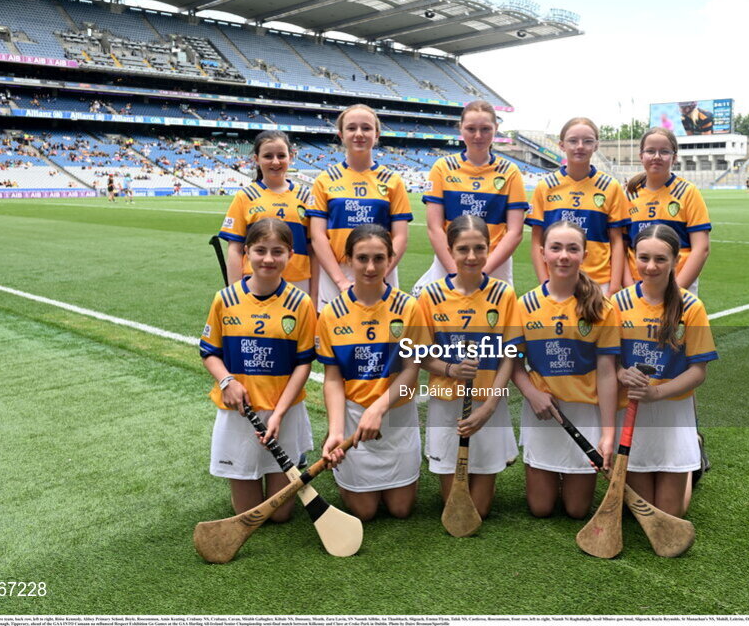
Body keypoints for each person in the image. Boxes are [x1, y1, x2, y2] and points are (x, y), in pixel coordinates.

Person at [198, 218, 317, 516]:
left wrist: (278, 414)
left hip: (284, 412)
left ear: (290, 255)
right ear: (246, 253)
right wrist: (227, 381)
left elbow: (303, 364)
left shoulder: (301, 303)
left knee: (279, 515)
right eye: (260, 250)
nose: (268, 259)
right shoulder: (225, 299)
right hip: (240, 414)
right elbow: (209, 352)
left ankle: (292, 456)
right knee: (248, 512)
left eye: (277, 251)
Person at [317, 224, 427, 521]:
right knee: (364, 513)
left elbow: (411, 370)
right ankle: (336, 447)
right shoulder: (331, 313)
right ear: (348, 259)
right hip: (354, 420)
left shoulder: (408, 307)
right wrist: (338, 431)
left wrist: (378, 408)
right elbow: (333, 379)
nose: (370, 266)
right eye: (362, 258)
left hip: (397, 415)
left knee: (401, 510)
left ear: (390, 259)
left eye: (379, 258)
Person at [416, 215, 522, 519]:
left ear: (490, 249)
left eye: (479, 248)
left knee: (481, 511)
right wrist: (450, 370)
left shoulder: (504, 294)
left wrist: (489, 407)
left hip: (488, 405)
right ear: (450, 250)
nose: (472, 257)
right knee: (456, 507)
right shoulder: (431, 295)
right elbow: (420, 354)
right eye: (463, 249)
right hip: (447, 404)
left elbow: (510, 354)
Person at [512, 221, 620, 518]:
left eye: (572, 249)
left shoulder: (602, 308)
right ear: (542, 252)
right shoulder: (525, 305)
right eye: (556, 248)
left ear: (584, 254)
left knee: (576, 510)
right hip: (544, 413)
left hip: (585, 415)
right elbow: (513, 362)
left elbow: (607, 373)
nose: (564, 256)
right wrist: (532, 393)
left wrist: (608, 433)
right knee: (541, 508)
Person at [612, 224, 717, 518]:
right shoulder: (617, 304)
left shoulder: (691, 307)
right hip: (631, 413)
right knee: (641, 512)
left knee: (669, 513)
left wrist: (656, 392)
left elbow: (698, 371)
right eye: (644, 258)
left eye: (660, 259)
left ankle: (692, 450)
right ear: (633, 257)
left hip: (672, 413)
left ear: (675, 261)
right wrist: (622, 374)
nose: (651, 266)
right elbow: (607, 362)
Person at [413, 100, 527, 296]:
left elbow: (515, 232)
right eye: (471, 128)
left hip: (495, 263)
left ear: (496, 129)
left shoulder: (510, 172)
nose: (478, 136)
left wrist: (483, 272)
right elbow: (434, 227)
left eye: (485, 129)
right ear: (460, 129)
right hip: (450, 260)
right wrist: (454, 272)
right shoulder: (442, 167)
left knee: (493, 323)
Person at [309, 104, 413, 311]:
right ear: (341, 134)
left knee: (384, 337)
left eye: (366, 128)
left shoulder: (392, 180)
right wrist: (340, 281)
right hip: (336, 273)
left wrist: (381, 274)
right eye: (351, 128)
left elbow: (400, 236)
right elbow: (317, 236)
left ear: (376, 135)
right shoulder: (324, 180)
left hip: (381, 271)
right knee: (336, 337)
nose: (359, 134)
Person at [527, 117, 628, 295]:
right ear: (561, 145)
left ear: (596, 145)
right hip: (556, 281)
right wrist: (545, 281)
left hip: (599, 282)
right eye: (573, 141)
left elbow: (617, 241)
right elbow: (537, 240)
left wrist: (613, 286)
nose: (580, 146)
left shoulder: (610, 186)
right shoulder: (546, 186)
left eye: (587, 141)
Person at [218, 130, 316, 298]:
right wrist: (234, 294)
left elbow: (312, 250)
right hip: (256, 282)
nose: (275, 161)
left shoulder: (306, 196)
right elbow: (235, 250)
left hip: (298, 283)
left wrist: (315, 294)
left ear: (291, 157)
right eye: (268, 156)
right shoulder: (245, 196)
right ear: (256, 159)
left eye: (281, 155)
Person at [624, 128, 711, 296]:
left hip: (679, 283)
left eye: (664, 152)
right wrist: (630, 288)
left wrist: (677, 290)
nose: (657, 156)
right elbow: (621, 246)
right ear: (641, 156)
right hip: (637, 283)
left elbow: (701, 248)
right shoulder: (629, 194)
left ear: (674, 158)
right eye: (650, 151)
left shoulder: (688, 192)